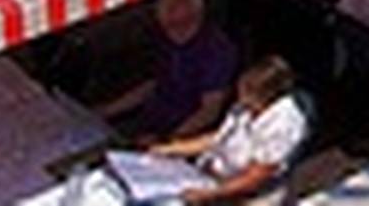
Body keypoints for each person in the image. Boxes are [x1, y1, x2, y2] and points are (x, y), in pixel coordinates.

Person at [101, 57, 308, 204]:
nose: (240, 99)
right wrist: (170, 149)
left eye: (248, 94)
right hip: (210, 176)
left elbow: (255, 177)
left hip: (244, 194)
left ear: (267, 96)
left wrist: (210, 195)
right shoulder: (245, 107)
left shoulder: (284, 124)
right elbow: (220, 137)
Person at [100, 0, 240, 144]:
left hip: (185, 135)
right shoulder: (165, 41)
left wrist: (167, 139)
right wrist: (107, 111)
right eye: (166, 23)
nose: (170, 29)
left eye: (178, 24)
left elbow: (210, 110)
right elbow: (153, 85)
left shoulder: (216, 51)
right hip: (150, 121)